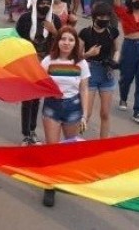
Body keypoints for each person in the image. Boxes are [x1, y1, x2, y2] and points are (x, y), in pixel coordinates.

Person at [38, 26, 89, 207]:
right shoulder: (48, 61)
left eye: (70, 40)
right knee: (52, 148)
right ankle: (49, 186)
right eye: (63, 39)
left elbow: (84, 89)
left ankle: (64, 178)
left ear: (75, 43)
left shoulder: (81, 63)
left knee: (68, 148)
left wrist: (84, 115)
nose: (66, 43)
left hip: (73, 108)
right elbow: (39, 82)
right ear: (57, 41)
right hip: (52, 107)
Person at [16, 0, 62, 145]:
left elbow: (63, 42)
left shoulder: (54, 20)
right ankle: (26, 134)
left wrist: (54, 31)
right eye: (42, 3)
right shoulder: (25, 19)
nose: (45, 5)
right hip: (27, 65)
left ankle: (32, 131)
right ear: (35, 3)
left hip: (45, 66)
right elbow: (16, 41)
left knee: (37, 100)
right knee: (27, 99)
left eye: (48, 3)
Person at [79, 2, 119, 139]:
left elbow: (117, 49)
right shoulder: (85, 33)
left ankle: (103, 144)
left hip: (107, 72)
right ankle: (75, 140)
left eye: (107, 17)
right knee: (86, 113)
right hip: (90, 71)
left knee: (105, 113)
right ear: (94, 17)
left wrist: (115, 59)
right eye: (101, 17)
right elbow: (77, 57)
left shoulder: (112, 31)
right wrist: (88, 54)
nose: (104, 20)